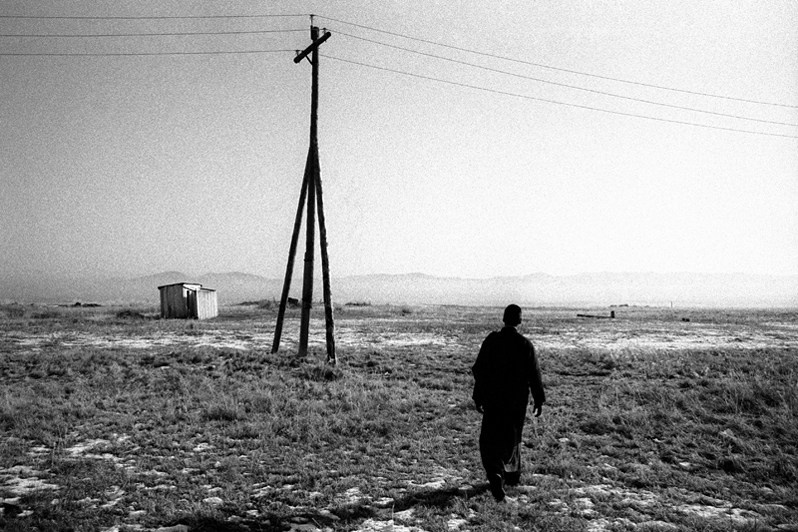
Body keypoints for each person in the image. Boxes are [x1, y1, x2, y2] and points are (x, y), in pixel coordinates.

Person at [472, 304, 545, 501]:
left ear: (503, 319)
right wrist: (539, 399)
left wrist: (478, 395)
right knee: (511, 438)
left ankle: (496, 472)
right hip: (516, 403)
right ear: (519, 320)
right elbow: (534, 375)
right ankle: (510, 475)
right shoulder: (525, 344)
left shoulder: (492, 341)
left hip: (493, 400)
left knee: (490, 437)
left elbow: (479, 370)